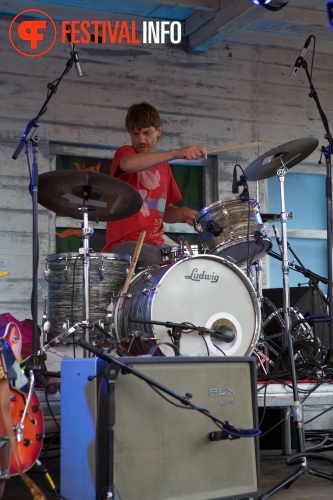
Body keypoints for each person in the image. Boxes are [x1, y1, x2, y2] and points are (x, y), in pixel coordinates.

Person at [102, 102, 207, 269]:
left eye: (146, 132)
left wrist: (183, 212)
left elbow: (165, 212)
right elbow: (128, 164)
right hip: (124, 243)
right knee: (152, 257)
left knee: (186, 262)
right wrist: (176, 153)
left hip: (156, 242)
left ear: (159, 130)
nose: (141, 139)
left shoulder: (164, 166)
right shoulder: (125, 153)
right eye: (135, 134)